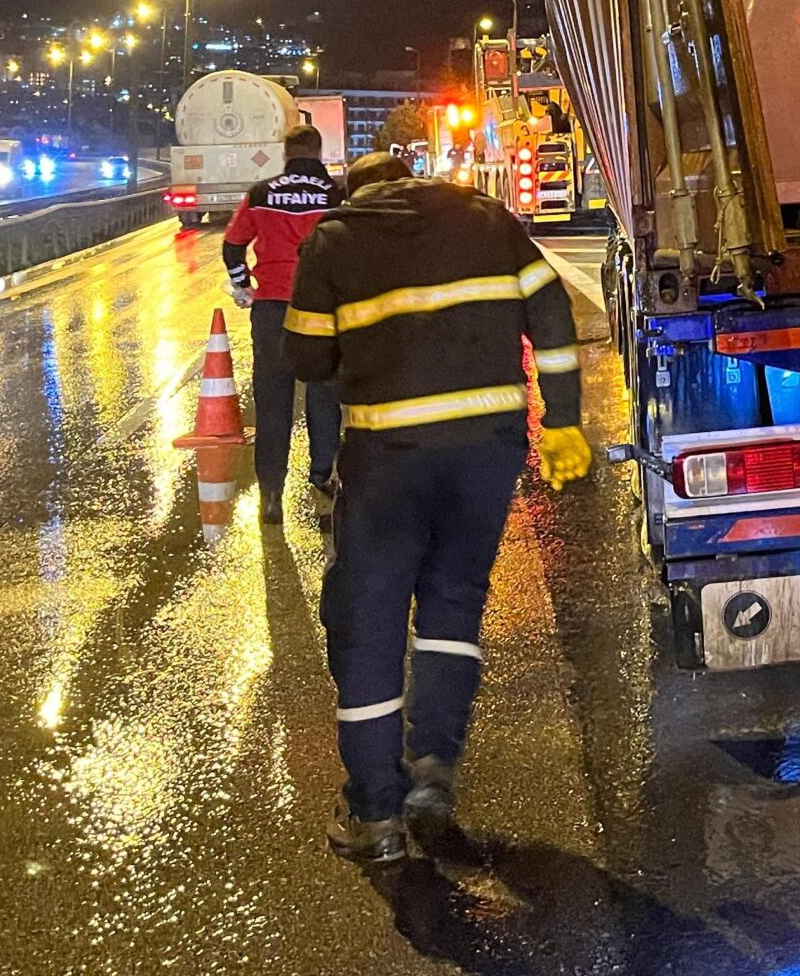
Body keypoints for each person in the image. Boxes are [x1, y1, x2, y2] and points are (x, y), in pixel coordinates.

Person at [284, 150, 593, 862]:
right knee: (454, 603)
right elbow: (550, 309)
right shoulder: (486, 220)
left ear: (357, 193)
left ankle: (375, 813)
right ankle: (432, 772)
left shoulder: (335, 239)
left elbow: (304, 358)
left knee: (369, 621)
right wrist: (563, 419)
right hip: (485, 449)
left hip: (387, 459)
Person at [222, 123, 341, 523]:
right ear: (318, 152)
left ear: (286, 153)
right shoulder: (335, 194)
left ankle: (271, 494)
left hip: (272, 309)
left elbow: (232, 244)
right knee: (324, 394)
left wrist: (243, 285)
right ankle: (323, 476)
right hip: (323, 309)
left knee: (273, 402)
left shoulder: (261, 193)